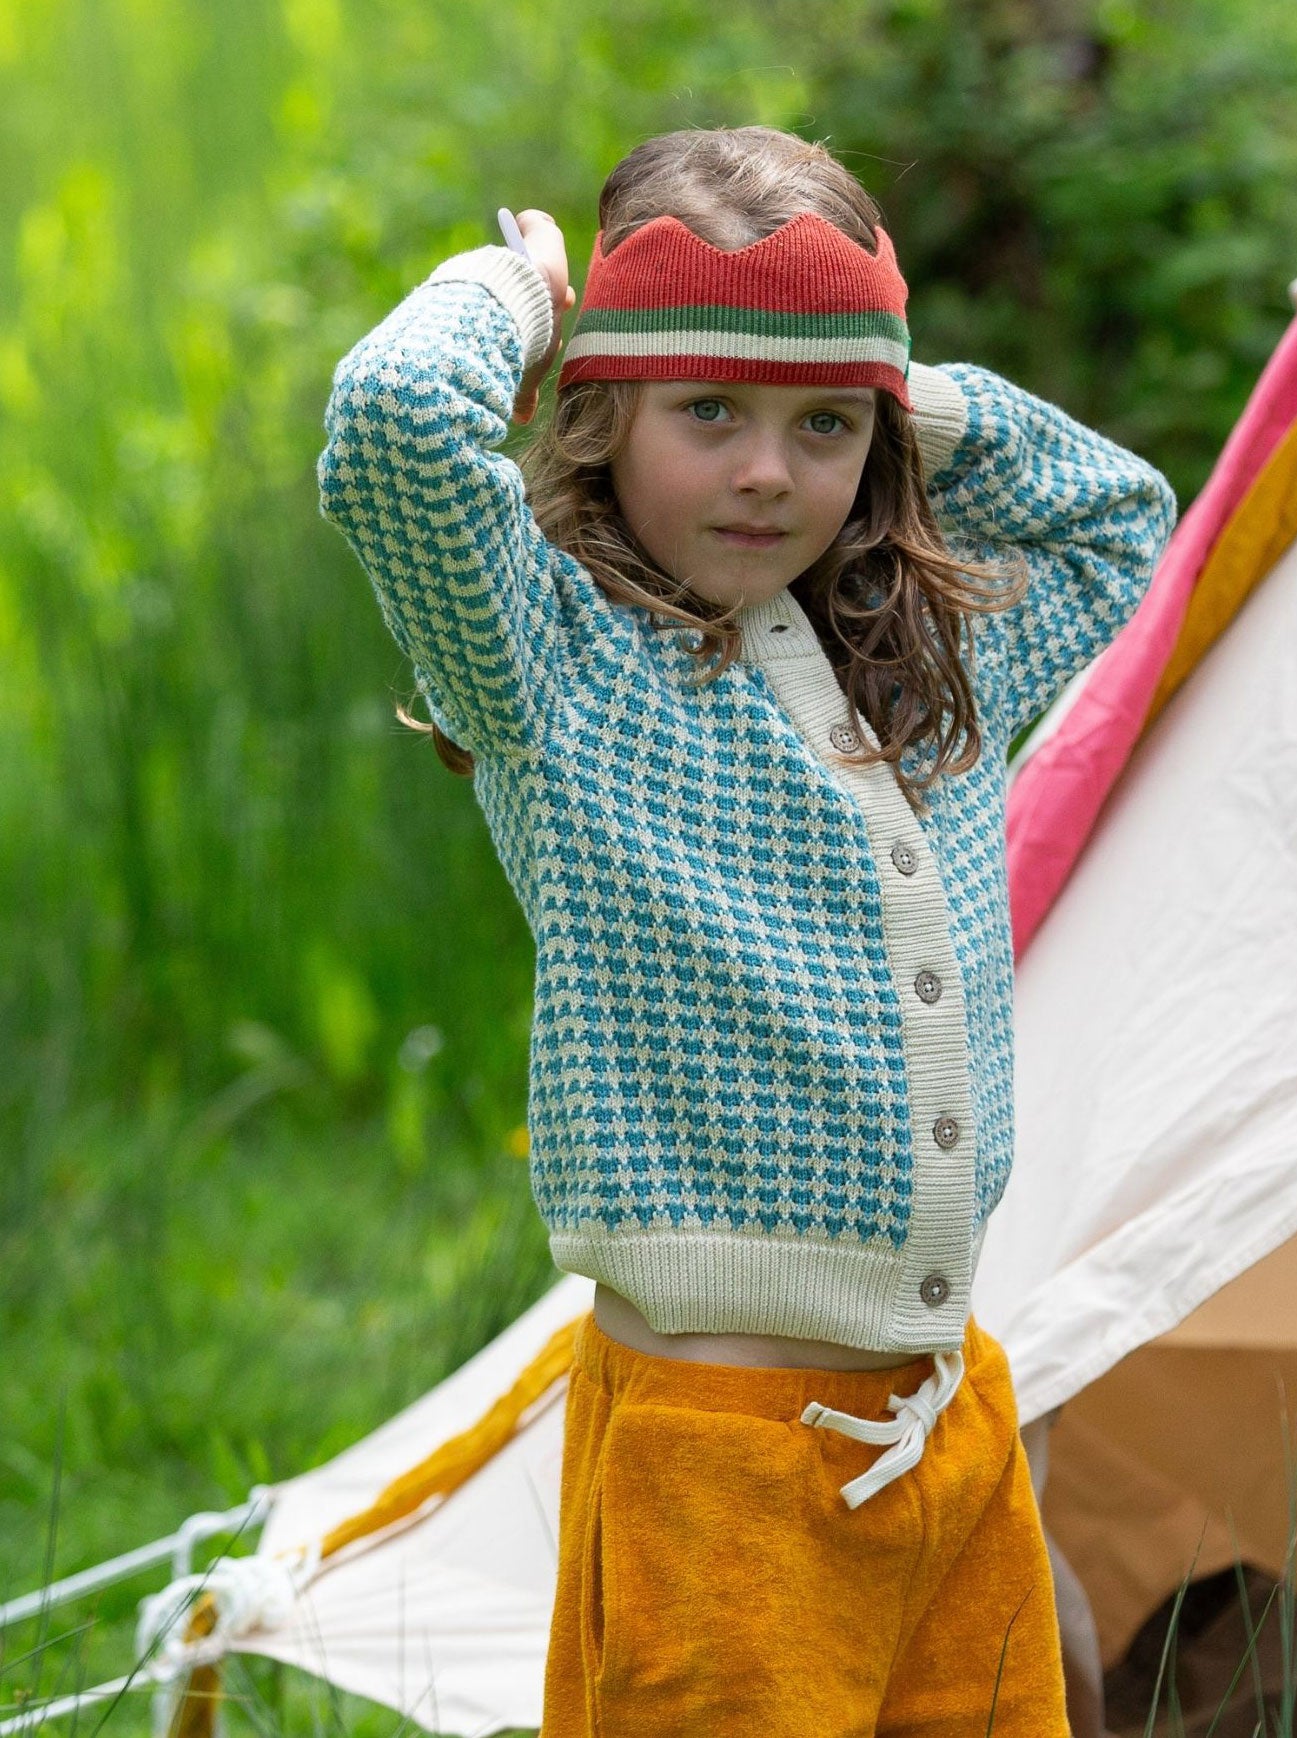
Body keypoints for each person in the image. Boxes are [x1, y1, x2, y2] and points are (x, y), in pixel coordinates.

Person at [318, 123, 1175, 1737]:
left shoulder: (930, 679)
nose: (769, 470)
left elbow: (1121, 520)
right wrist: (519, 295)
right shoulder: (554, 670)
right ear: (604, 413)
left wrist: (880, 380)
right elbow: (386, 424)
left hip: (946, 1418)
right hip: (717, 1454)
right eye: (707, 410)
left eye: (819, 425)